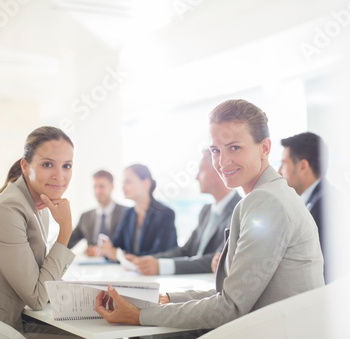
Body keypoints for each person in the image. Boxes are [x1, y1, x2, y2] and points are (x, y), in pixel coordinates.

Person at [95, 99, 324, 331]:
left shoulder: (265, 201)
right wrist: (168, 299)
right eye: (216, 150)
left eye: (234, 147)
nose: (222, 162)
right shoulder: (274, 194)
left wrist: (140, 315)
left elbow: (229, 306)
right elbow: (233, 292)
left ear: (264, 148)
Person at [0, 126, 76, 335]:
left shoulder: (38, 208)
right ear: (25, 166)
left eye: (67, 166)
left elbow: (40, 279)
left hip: (8, 319)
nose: (60, 176)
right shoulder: (7, 209)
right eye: (48, 164)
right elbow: (37, 297)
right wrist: (66, 230)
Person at [127, 149, 241, 275]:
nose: (196, 177)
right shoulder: (206, 210)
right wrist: (150, 260)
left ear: (220, 172)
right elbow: (186, 250)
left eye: (201, 170)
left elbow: (218, 259)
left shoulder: (239, 210)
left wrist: (162, 266)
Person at [279, 132, 333, 282]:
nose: (279, 171)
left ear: (303, 166)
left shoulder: (324, 205)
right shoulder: (313, 201)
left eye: (284, 163)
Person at [101, 164, 178, 259]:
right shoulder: (128, 213)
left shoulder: (165, 214)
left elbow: (161, 253)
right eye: (123, 182)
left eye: (128, 182)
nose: (123, 187)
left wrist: (122, 256)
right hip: (132, 272)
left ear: (146, 184)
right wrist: (108, 250)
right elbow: (116, 248)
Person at [67, 170, 126, 256]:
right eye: (95, 187)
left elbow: (132, 247)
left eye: (101, 186)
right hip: (92, 266)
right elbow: (67, 244)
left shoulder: (127, 213)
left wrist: (112, 252)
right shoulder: (85, 217)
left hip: (118, 266)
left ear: (112, 187)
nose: (97, 191)